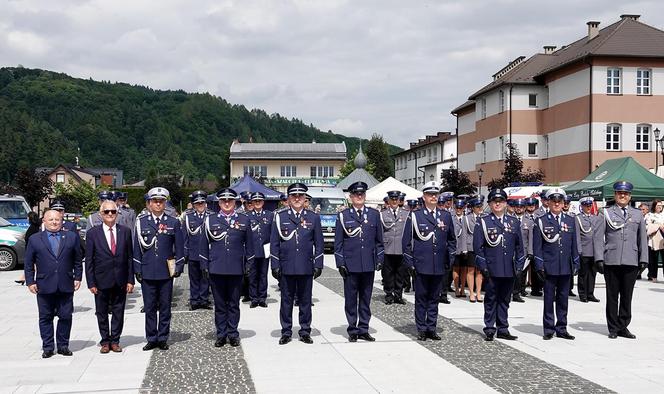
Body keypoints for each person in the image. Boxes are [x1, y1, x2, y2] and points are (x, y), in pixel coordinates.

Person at [24, 210, 83, 358]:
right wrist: (30, 281)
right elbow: (28, 262)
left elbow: (77, 259)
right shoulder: (35, 239)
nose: (54, 222)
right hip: (44, 284)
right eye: (51, 219)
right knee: (45, 317)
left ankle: (63, 345)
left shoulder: (71, 237)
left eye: (57, 219)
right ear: (44, 221)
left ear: (62, 221)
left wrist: (78, 277)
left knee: (65, 316)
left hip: (66, 283)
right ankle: (48, 347)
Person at [270, 183, 324, 345]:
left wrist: (318, 263)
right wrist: (275, 264)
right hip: (286, 266)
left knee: (305, 301)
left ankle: (305, 331)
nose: (298, 199)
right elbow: (274, 243)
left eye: (301, 196)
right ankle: (286, 331)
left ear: (305, 198)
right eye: (294, 196)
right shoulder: (280, 217)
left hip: (306, 266)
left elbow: (319, 243)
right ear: (289, 199)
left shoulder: (313, 217)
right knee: (286, 301)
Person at [199, 188, 254, 347]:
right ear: (219, 203)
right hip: (216, 268)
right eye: (224, 201)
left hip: (236, 269)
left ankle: (233, 333)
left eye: (230, 200)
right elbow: (203, 246)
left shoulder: (244, 220)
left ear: (235, 202)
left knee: (234, 304)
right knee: (220, 304)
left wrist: (249, 264)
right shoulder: (210, 220)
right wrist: (204, 265)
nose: (227, 203)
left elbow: (250, 245)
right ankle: (221, 334)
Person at [593, 181, 648, 339]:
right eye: (619, 193)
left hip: (631, 260)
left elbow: (642, 238)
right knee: (612, 295)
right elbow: (598, 238)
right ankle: (613, 328)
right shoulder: (606, 213)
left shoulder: (637, 214)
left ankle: (623, 326)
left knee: (627, 295)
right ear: (615, 195)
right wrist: (599, 258)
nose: (622, 196)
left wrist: (643, 258)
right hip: (612, 259)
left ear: (630, 196)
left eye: (625, 194)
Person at [133, 187, 185, 351]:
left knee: (165, 307)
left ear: (165, 203)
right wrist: (137, 268)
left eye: (161, 201)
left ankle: (162, 337)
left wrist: (179, 266)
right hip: (148, 270)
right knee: (149, 307)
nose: (157, 204)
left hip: (165, 271)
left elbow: (180, 246)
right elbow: (136, 248)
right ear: (148, 203)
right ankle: (151, 338)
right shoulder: (141, 222)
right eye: (154, 201)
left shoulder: (173, 222)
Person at [402, 181, 456, 341]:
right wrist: (410, 263)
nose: (433, 197)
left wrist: (450, 258)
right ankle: (421, 329)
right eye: (429, 194)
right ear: (424, 197)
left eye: (435, 194)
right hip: (421, 264)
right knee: (421, 298)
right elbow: (406, 243)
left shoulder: (445, 216)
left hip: (439, 264)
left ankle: (431, 327)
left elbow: (452, 240)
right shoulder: (415, 216)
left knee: (434, 298)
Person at [335, 181, 384, 342]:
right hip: (350, 264)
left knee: (365, 298)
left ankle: (364, 328)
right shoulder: (343, 216)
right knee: (350, 299)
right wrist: (340, 263)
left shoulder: (374, 215)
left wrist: (379, 258)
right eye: (356, 194)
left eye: (362, 194)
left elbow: (379, 241)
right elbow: (339, 243)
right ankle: (352, 329)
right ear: (350, 197)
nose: (359, 196)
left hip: (368, 264)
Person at [474, 188, 525, 341]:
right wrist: (483, 267)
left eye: (500, 201)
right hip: (492, 268)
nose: (497, 204)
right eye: (494, 201)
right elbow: (478, 247)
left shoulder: (513, 222)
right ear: (489, 204)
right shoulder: (483, 222)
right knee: (491, 299)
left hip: (508, 269)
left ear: (505, 203)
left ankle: (503, 328)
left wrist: (518, 267)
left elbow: (519, 247)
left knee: (504, 300)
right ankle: (490, 328)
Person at [85, 200, 134, 353]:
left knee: (119, 312)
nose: (110, 214)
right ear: (101, 214)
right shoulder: (93, 233)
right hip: (101, 280)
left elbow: (129, 258)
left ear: (117, 213)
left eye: (113, 211)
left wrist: (130, 280)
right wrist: (91, 282)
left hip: (120, 279)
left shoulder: (125, 231)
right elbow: (89, 260)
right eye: (107, 212)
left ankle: (115, 340)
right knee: (101, 312)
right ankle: (105, 340)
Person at [533, 188, 579, 340]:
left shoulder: (570, 220)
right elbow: (537, 246)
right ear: (548, 202)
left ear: (563, 203)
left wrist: (576, 261)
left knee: (563, 298)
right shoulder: (541, 221)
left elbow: (573, 244)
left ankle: (562, 327)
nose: (557, 204)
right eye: (554, 201)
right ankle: (548, 328)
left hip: (565, 266)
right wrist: (539, 265)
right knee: (548, 299)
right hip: (549, 265)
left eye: (560, 202)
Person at [182, 190, 212, 310]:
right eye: (197, 203)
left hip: (207, 254)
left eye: (202, 203)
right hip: (193, 254)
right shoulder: (188, 218)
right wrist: (185, 254)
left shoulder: (211, 216)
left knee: (206, 278)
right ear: (194, 205)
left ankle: (204, 300)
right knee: (194, 279)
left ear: (205, 203)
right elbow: (185, 238)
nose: (200, 205)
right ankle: (194, 301)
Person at [380, 190, 409, 305]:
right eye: (392, 199)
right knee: (388, 274)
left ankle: (398, 295)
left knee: (400, 274)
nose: (394, 201)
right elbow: (380, 232)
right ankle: (388, 295)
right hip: (388, 248)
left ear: (399, 201)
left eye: (396, 199)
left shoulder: (405, 214)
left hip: (401, 248)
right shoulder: (383, 214)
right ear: (389, 200)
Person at [248, 192, 273, 308]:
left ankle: (262, 298)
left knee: (263, 275)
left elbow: (273, 234)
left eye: (259, 201)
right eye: (255, 201)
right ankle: (253, 298)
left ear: (263, 202)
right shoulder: (247, 216)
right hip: (252, 250)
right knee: (252, 275)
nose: (257, 203)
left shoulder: (269, 215)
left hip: (265, 249)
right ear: (252, 203)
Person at [575, 197, 601, 302]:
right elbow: (577, 236)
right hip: (584, 250)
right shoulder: (578, 218)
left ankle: (590, 293)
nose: (588, 207)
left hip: (594, 251)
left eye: (590, 205)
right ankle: (582, 294)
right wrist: (579, 250)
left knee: (592, 274)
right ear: (582, 206)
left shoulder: (596, 218)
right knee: (583, 274)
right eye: (586, 205)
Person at [510, 198, 532, 303]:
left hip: (523, 252)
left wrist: (530, 252)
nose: (519, 209)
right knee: (510, 273)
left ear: (524, 208)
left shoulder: (529, 221)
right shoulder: (509, 219)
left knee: (520, 273)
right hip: (511, 251)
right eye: (517, 207)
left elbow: (531, 238)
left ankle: (516, 293)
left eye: (521, 207)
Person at [463, 196, 484, 303]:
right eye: (477, 206)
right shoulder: (466, 218)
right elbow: (464, 234)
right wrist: (464, 249)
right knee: (470, 270)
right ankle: (471, 292)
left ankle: (478, 292)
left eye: (481, 206)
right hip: (470, 247)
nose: (480, 208)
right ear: (473, 208)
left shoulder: (485, 217)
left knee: (480, 271)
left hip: (481, 248)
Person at [451, 199, 468, 298]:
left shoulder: (466, 219)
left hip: (464, 247)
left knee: (464, 269)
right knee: (456, 268)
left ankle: (462, 289)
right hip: (456, 247)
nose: (458, 210)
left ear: (463, 208)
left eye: (460, 208)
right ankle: (457, 288)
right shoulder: (452, 218)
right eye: (457, 208)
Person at [645, 200, 664, 281]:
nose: (660, 207)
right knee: (653, 259)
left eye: (661, 205)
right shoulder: (649, 215)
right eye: (658, 205)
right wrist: (658, 225)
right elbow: (647, 227)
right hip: (653, 240)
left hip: (663, 239)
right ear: (654, 206)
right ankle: (653, 276)